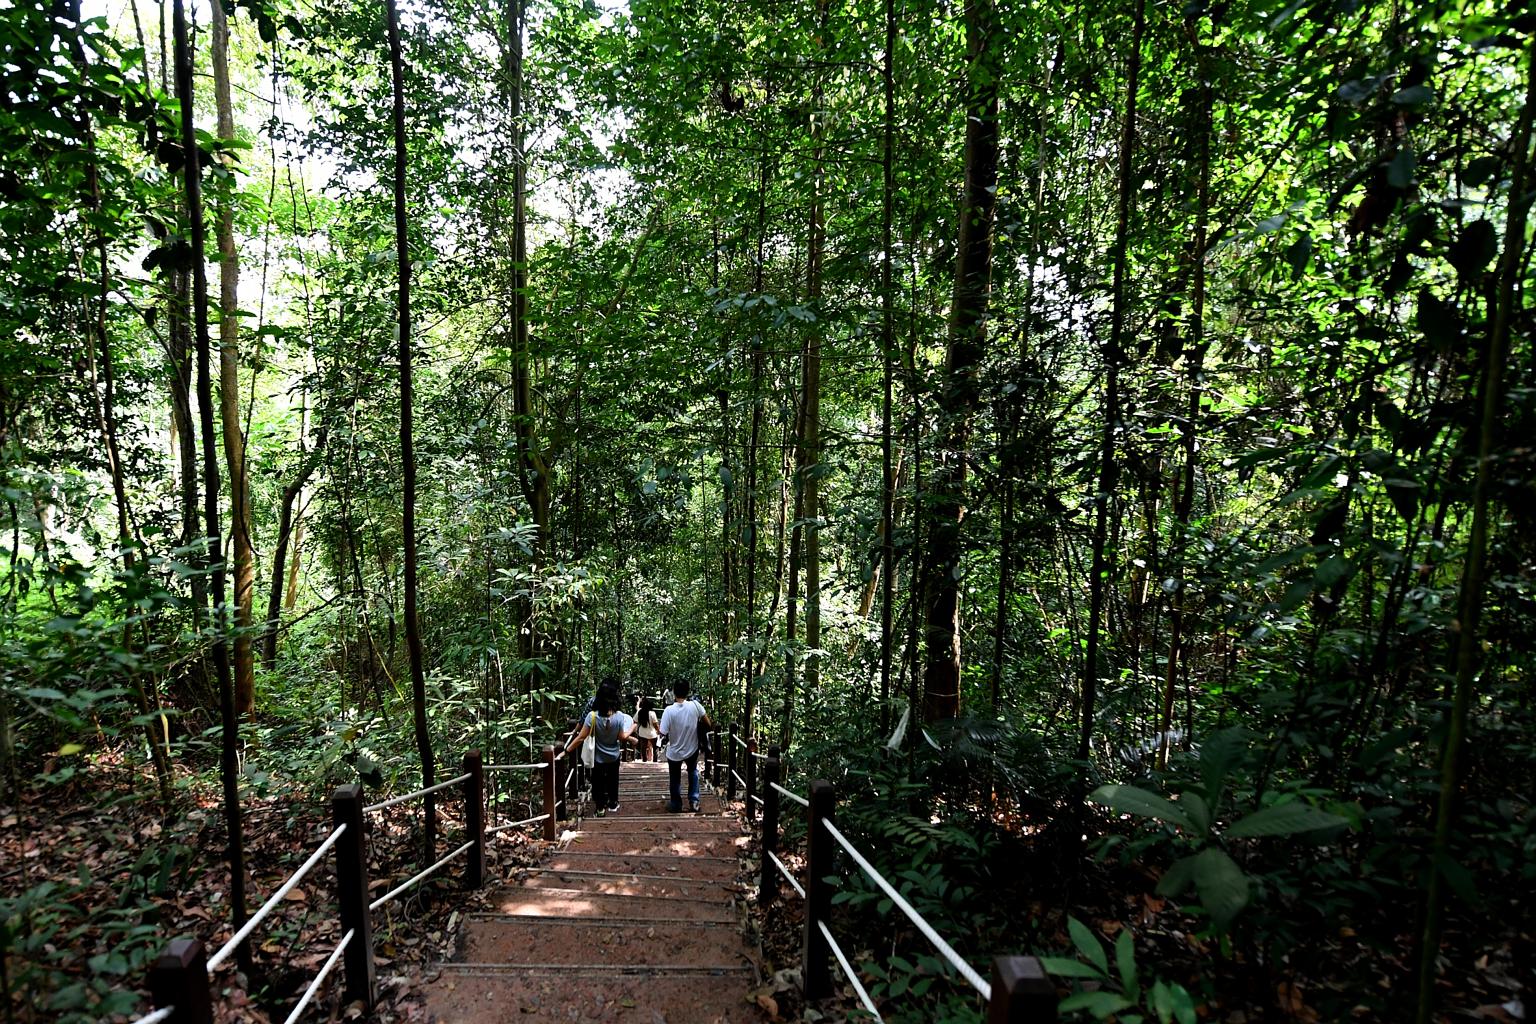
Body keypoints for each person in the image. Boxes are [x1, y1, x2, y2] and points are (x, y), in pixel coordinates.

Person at [563, 685, 634, 816]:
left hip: (597, 757)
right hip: (614, 756)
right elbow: (621, 737)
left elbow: (581, 737)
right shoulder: (619, 716)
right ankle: (613, 803)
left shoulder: (592, 717)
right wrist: (632, 729)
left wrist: (566, 750)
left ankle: (600, 808)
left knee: (598, 782)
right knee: (613, 780)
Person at [659, 680, 712, 813]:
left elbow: (663, 732)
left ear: (674, 692)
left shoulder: (669, 711)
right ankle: (694, 801)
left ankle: (676, 804)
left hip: (674, 751)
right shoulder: (695, 706)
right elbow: (708, 723)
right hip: (692, 748)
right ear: (688, 691)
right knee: (693, 772)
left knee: (675, 777)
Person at [634, 696, 660, 762]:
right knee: (655, 747)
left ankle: (644, 760)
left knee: (643, 748)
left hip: (642, 733)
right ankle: (655, 760)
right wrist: (658, 731)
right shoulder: (652, 713)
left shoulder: (639, 712)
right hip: (652, 733)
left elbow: (635, 721)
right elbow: (655, 725)